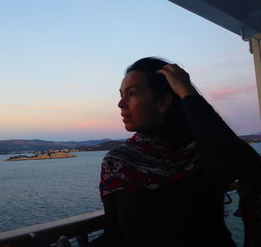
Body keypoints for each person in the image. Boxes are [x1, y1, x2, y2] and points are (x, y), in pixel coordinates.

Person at [97, 57, 261, 247]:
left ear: (163, 102)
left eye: (131, 94)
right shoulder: (118, 163)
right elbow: (115, 236)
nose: (121, 104)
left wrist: (187, 92)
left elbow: (232, 167)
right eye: (121, 94)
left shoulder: (203, 151)